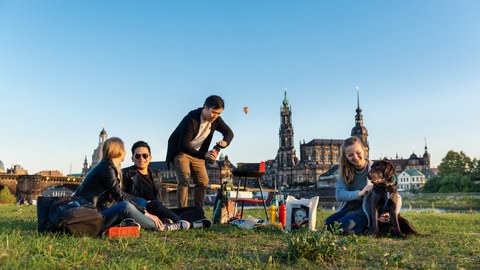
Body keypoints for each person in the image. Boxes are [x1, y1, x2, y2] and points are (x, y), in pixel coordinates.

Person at [74, 137, 189, 231]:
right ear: (118, 151)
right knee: (126, 206)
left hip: (97, 209)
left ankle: (144, 220)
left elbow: (120, 194)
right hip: (92, 214)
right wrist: (145, 213)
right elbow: (120, 197)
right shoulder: (107, 168)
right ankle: (161, 227)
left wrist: (143, 205)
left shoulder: (108, 166)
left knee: (141, 201)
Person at [122, 141, 212, 228]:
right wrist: (144, 203)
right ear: (132, 158)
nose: (141, 158)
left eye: (145, 155)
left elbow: (160, 198)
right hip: (142, 211)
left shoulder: (156, 174)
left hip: (158, 209)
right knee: (153, 204)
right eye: (137, 156)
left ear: (150, 158)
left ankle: (171, 221)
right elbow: (121, 196)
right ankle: (185, 224)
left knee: (198, 210)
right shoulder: (125, 173)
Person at [166, 95, 234, 208]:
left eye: (218, 114)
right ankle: (182, 211)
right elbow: (183, 145)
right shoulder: (191, 119)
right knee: (184, 180)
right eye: (213, 112)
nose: (215, 116)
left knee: (203, 181)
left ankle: (198, 210)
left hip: (197, 153)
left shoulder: (216, 120)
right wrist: (204, 154)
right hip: (181, 151)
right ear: (205, 107)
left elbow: (229, 133)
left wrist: (225, 142)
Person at [325, 136, 393, 234]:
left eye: (358, 153)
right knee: (326, 225)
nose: (355, 157)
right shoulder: (345, 171)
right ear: (346, 156)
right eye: (350, 155)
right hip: (349, 209)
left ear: (364, 150)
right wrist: (360, 193)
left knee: (341, 227)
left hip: (366, 211)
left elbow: (395, 196)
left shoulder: (376, 169)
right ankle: (359, 228)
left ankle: (367, 227)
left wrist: (388, 214)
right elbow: (339, 195)